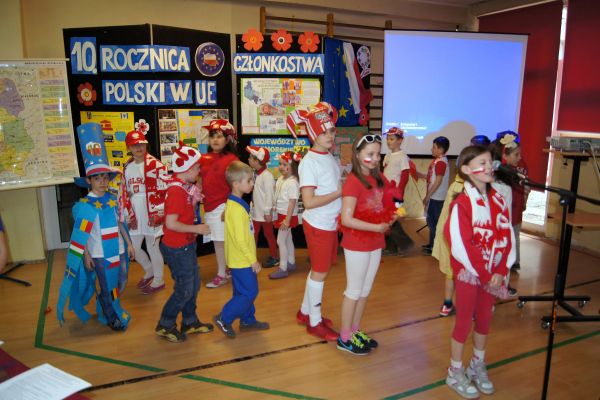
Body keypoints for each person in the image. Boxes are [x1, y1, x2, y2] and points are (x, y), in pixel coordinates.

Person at [444, 145, 515, 399]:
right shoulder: (461, 204)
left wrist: (501, 269)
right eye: (482, 163)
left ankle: (477, 364)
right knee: (464, 321)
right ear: (466, 169)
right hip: (470, 274)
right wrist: (485, 275)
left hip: (493, 274)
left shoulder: (499, 200)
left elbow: (507, 236)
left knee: (485, 318)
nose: (489, 167)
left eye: (490, 162)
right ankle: (455, 371)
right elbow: (462, 245)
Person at [57, 122, 134, 331]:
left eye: (105, 177)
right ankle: (111, 315)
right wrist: (87, 255)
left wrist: (129, 244)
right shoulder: (84, 206)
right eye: (97, 178)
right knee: (108, 285)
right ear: (89, 181)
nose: (102, 181)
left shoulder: (112, 199)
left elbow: (120, 223)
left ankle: (105, 302)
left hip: (118, 249)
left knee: (121, 281)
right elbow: (81, 236)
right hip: (99, 254)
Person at [286, 102, 341, 341]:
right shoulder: (309, 162)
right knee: (320, 272)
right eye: (323, 132)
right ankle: (315, 322)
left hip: (329, 223)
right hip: (319, 224)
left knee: (319, 270)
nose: (329, 135)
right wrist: (339, 192)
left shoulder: (327, 155)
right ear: (312, 134)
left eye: (331, 131)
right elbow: (308, 202)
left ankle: (305, 312)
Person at [338, 134, 396, 355]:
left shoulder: (380, 178)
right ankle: (344, 337)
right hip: (357, 243)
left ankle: (355, 330)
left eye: (378, 154)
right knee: (353, 291)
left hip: (375, 242)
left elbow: (393, 202)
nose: (375, 158)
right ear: (357, 154)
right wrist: (376, 227)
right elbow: (346, 219)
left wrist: (393, 215)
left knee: (365, 290)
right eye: (370, 153)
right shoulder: (353, 181)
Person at [155, 142, 213, 343]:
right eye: (197, 168)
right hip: (177, 248)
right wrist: (196, 229)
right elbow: (171, 223)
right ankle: (165, 323)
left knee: (194, 285)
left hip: (186, 246)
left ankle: (189, 321)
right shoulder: (177, 192)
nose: (199, 172)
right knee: (185, 289)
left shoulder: (184, 187)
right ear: (187, 169)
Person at [433, 135, 494, 317]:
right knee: (470, 274)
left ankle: (447, 304)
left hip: (452, 238)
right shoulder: (472, 191)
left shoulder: (456, 186)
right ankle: (473, 309)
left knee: (451, 273)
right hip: (465, 241)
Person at [213, 161, 270, 338]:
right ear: (236, 184)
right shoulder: (236, 208)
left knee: (241, 291)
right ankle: (224, 317)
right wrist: (252, 260)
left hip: (239, 258)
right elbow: (239, 239)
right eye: (249, 181)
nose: (252, 183)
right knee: (250, 291)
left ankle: (247, 320)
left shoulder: (235, 204)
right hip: (242, 259)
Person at [119, 124, 169, 295]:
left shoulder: (156, 165)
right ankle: (150, 270)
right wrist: (125, 209)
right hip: (135, 211)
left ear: (145, 144)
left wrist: (161, 212)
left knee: (152, 246)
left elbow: (165, 189)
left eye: (141, 144)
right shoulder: (127, 166)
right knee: (133, 246)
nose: (138, 147)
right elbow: (124, 190)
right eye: (134, 145)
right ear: (129, 148)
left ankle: (159, 279)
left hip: (152, 211)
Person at [200, 119, 239, 289]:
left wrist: (229, 207)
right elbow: (201, 179)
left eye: (219, 136)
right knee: (220, 240)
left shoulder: (232, 159)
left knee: (219, 242)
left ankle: (221, 274)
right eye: (212, 136)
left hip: (224, 205)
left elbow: (237, 186)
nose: (215, 140)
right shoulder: (204, 158)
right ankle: (227, 269)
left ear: (227, 139)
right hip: (209, 206)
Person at [269, 151, 301, 280]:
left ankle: (283, 268)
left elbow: (292, 202)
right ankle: (291, 262)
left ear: (292, 166)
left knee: (280, 241)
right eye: (280, 164)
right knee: (288, 239)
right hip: (281, 213)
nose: (281, 167)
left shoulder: (293, 182)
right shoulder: (281, 179)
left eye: (284, 164)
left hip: (287, 216)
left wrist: (287, 220)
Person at [382, 127, 414, 256]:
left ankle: (406, 244)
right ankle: (391, 247)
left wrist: (399, 195)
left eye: (392, 139)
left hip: (395, 195)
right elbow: (385, 174)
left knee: (392, 219)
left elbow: (405, 177)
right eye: (388, 139)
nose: (388, 141)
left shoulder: (402, 157)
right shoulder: (387, 155)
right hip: (386, 193)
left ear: (400, 141)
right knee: (387, 218)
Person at [246, 145, 279, 268]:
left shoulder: (267, 176)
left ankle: (274, 257)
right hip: (256, 213)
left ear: (257, 161)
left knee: (269, 235)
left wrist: (267, 212)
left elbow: (269, 196)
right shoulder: (256, 174)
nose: (248, 159)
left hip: (265, 215)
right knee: (252, 235)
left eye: (250, 158)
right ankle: (251, 258)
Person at [420, 136, 450, 256]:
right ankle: (432, 244)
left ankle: (435, 247)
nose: (431, 149)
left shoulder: (441, 162)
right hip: (435, 197)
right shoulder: (439, 161)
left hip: (437, 198)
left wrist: (428, 196)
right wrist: (419, 174)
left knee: (433, 223)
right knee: (432, 221)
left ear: (441, 149)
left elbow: (437, 181)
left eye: (434, 147)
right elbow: (432, 178)